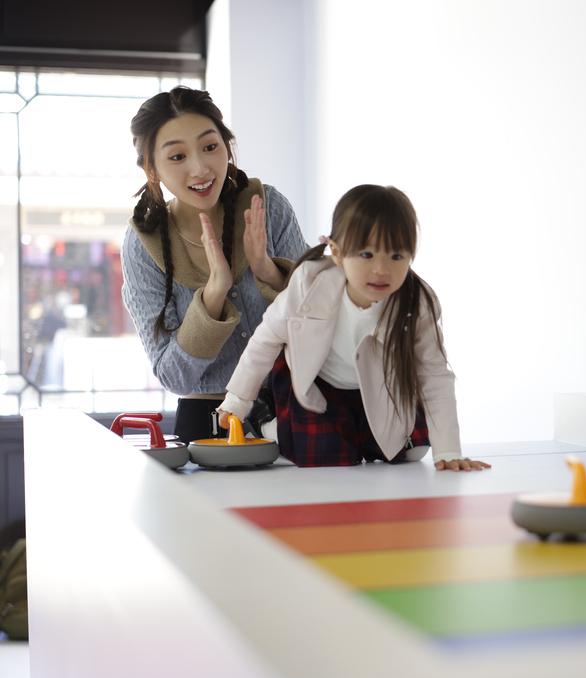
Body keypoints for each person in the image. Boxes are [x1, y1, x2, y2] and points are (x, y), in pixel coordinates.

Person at [216, 185, 489, 471]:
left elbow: (434, 374)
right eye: (367, 255)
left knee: (408, 450)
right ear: (337, 252)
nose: (381, 269)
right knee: (326, 457)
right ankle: (269, 423)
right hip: (319, 383)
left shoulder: (417, 301)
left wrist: (448, 451)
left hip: (378, 386)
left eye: (396, 256)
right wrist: (237, 400)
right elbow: (265, 339)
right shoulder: (309, 283)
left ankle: (358, 430)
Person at [121, 87, 308, 443]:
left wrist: (267, 271)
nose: (200, 168)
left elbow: (318, 321)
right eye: (177, 156)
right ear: (152, 169)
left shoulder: (268, 208)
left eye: (210, 147)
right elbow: (173, 377)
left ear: (227, 145)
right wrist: (213, 296)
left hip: (295, 415)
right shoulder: (143, 243)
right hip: (207, 430)